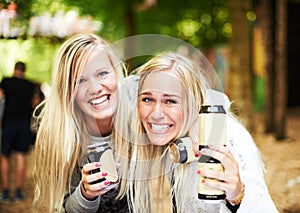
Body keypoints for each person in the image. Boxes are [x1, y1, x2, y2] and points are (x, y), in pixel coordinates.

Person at [116, 52, 278, 212]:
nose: (156, 113)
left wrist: (236, 196)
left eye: (170, 101)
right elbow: (123, 89)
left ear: (193, 102)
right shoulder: (175, 138)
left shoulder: (225, 136)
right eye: (147, 99)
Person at [33, 33, 130, 212]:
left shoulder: (142, 112)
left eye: (102, 73)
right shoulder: (63, 137)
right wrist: (86, 193)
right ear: (68, 91)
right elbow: (68, 207)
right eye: (80, 80)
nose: (95, 89)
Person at [0, 61, 41, 202]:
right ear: (24, 70)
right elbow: (35, 103)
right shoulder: (30, 85)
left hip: (8, 123)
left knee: (4, 155)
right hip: (24, 124)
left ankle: (5, 192)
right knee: (21, 156)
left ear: (14, 69)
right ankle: (18, 192)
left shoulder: (6, 82)